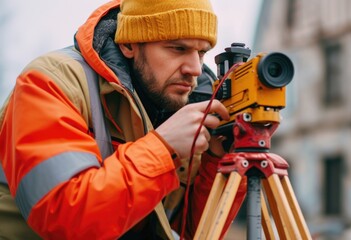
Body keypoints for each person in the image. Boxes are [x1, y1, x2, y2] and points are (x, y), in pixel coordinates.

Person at [0, 0, 247, 239]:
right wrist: (162, 148)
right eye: (178, 48)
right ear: (129, 44)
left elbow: (189, 233)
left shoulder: (192, 106)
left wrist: (218, 161)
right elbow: (65, 219)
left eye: (202, 52)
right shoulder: (50, 82)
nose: (194, 68)